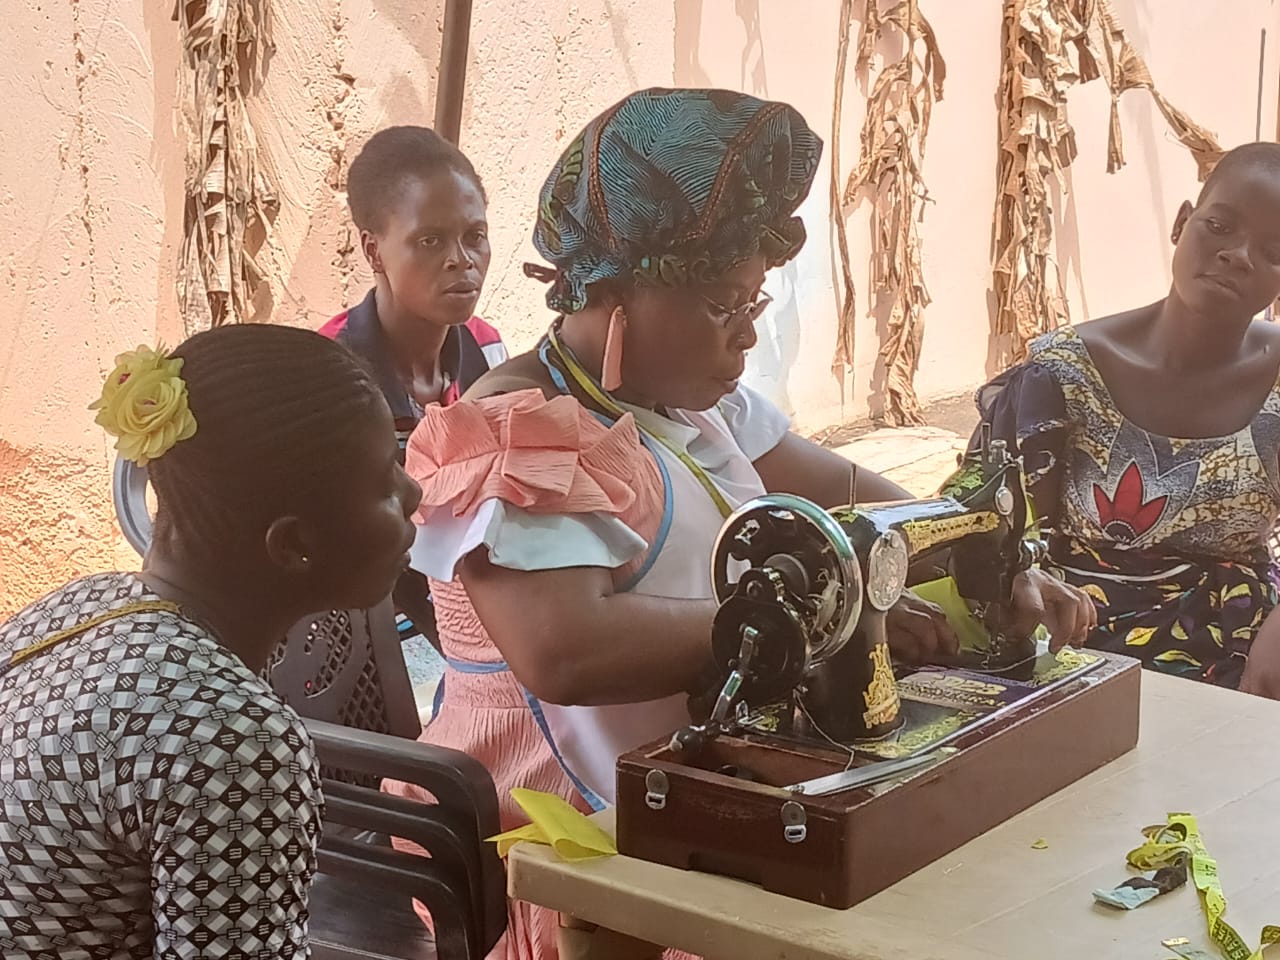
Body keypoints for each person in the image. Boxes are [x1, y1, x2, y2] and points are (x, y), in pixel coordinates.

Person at [385, 87, 1093, 959]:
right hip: (571, 846)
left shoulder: (690, 403)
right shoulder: (516, 432)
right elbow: (566, 651)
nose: (746, 339)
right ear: (618, 292)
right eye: (724, 307)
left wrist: (986, 550)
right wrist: (829, 615)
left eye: (753, 306)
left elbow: (860, 499)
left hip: (696, 783)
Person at [0, 325, 422, 958]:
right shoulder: (235, 744)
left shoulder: (78, 605)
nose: (414, 493)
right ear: (294, 545)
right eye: (387, 482)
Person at [969, 141, 1280, 697]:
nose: (1238, 255)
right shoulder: (1063, 375)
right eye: (1219, 226)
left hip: (1244, 652)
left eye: (1273, 250)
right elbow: (984, 530)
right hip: (1074, 646)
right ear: (1181, 223)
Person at [320, 124, 506, 649]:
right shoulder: (331, 373)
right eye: (430, 240)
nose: (461, 260)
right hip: (357, 628)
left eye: (475, 236)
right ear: (373, 251)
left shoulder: (488, 353)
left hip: (468, 602)